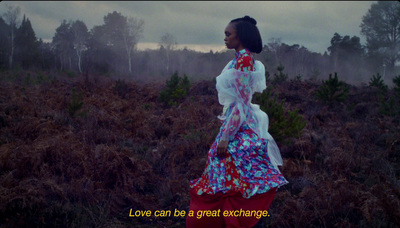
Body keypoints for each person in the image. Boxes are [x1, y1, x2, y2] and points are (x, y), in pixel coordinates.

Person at [186, 16, 288, 228]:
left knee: (228, 173)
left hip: (238, 123)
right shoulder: (240, 58)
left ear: (240, 36)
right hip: (236, 120)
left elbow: (242, 103)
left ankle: (231, 221)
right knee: (228, 176)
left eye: (228, 34)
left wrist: (225, 137)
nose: (225, 38)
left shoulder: (243, 60)